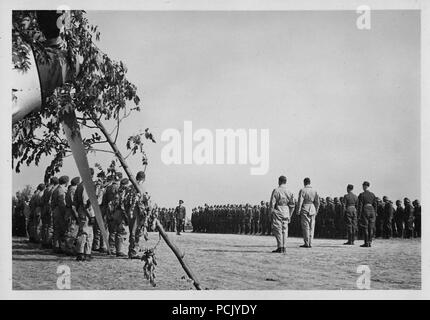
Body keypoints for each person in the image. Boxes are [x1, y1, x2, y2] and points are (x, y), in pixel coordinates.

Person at [269, 175, 296, 253]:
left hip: (278, 210)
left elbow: (272, 203)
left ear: (279, 181)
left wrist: (271, 213)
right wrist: (290, 214)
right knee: (285, 229)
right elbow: (292, 205)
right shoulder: (290, 191)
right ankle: (284, 246)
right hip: (286, 210)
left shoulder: (276, 190)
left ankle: (280, 246)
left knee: (278, 229)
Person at [127, 171, 149, 258]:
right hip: (137, 212)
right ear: (143, 179)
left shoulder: (130, 187)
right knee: (135, 232)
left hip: (131, 212)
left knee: (133, 231)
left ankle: (132, 250)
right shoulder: (140, 188)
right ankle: (133, 251)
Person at [74, 172, 96, 261]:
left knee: (87, 233)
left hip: (83, 211)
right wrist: (90, 216)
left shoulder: (80, 185)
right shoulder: (85, 186)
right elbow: (84, 203)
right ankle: (82, 253)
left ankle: (86, 253)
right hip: (86, 212)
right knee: (85, 233)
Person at [297, 177, 319, 248]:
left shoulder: (302, 190)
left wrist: (298, 210)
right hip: (312, 207)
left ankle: (306, 243)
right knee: (312, 226)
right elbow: (317, 202)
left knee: (305, 226)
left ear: (304, 182)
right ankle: (311, 243)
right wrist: (316, 210)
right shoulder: (314, 190)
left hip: (305, 207)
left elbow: (300, 201)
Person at [51, 176, 69, 253]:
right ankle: (60, 247)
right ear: (66, 182)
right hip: (60, 212)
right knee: (61, 229)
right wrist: (65, 212)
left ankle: (56, 246)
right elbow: (62, 203)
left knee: (56, 229)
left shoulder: (56, 189)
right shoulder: (61, 190)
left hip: (55, 211)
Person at [357, 181, 377, 247]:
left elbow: (360, 206)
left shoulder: (362, 194)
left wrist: (359, 215)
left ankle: (366, 243)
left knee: (365, 227)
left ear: (364, 186)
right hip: (372, 210)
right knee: (371, 227)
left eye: (363, 186)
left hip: (365, 210)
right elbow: (375, 205)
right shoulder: (372, 194)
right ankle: (370, 242)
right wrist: (375, 213)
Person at [64, 177, 80, 255]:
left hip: (69, 211)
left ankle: (69, 247)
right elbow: (73, 205)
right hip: (72, 213)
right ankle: (69, 248)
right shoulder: (73, 190)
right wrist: (77, 215)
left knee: (71, 230)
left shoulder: (70, 189)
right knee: (72, 230)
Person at [41, 177, 58, 248]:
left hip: (45, 208)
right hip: (50, 208)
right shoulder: (53, 189)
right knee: (50, 226)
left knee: (45, 226)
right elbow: (50, 201)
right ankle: (48, 242)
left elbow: (42, 200)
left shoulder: (46, 189)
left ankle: (44, 241)